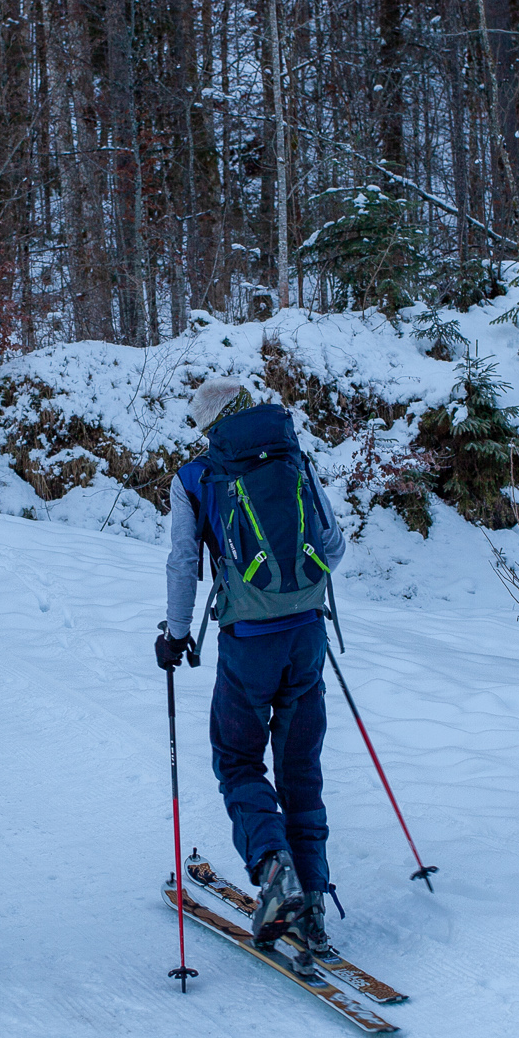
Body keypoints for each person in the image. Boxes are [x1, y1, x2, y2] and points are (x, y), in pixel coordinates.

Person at [155, 379, 346, 957]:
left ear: (210, 428)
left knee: (238, 761)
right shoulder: (295, 458)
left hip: (247, 643)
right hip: (308, 635)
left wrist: (177, 634)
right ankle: (311, 906)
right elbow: (333, 548)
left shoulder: (195, 478)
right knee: (301, 772)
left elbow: (185, 562)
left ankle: (273, 869)